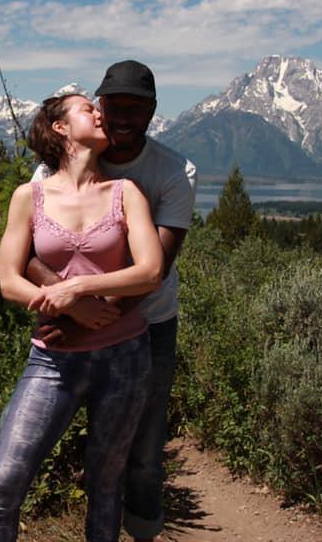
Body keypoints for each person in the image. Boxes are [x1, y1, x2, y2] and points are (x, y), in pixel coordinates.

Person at [0, 93, 164, 542]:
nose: (99, 114)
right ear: (59, 127)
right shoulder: (29, 197)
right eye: (86, 109)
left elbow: (150, 271)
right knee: (1, 484)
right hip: (53, 361)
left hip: (125, 356)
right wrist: (69, 303)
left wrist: (78, 286)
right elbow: (9, 280)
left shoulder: (125, 193)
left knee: (104, 485)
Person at [28, 61, 197, 542]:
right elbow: (28, 255)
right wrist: (71, 309)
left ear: (152, 112)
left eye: (135, 108)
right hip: (66, 321)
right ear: (99, 108)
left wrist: (85, 320)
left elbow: (155, 271)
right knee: (41, 445)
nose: (123, 117)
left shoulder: (173, 171)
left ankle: (141, 530)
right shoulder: (55, 167)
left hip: (148, 326)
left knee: (143, 450)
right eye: (114, 106)